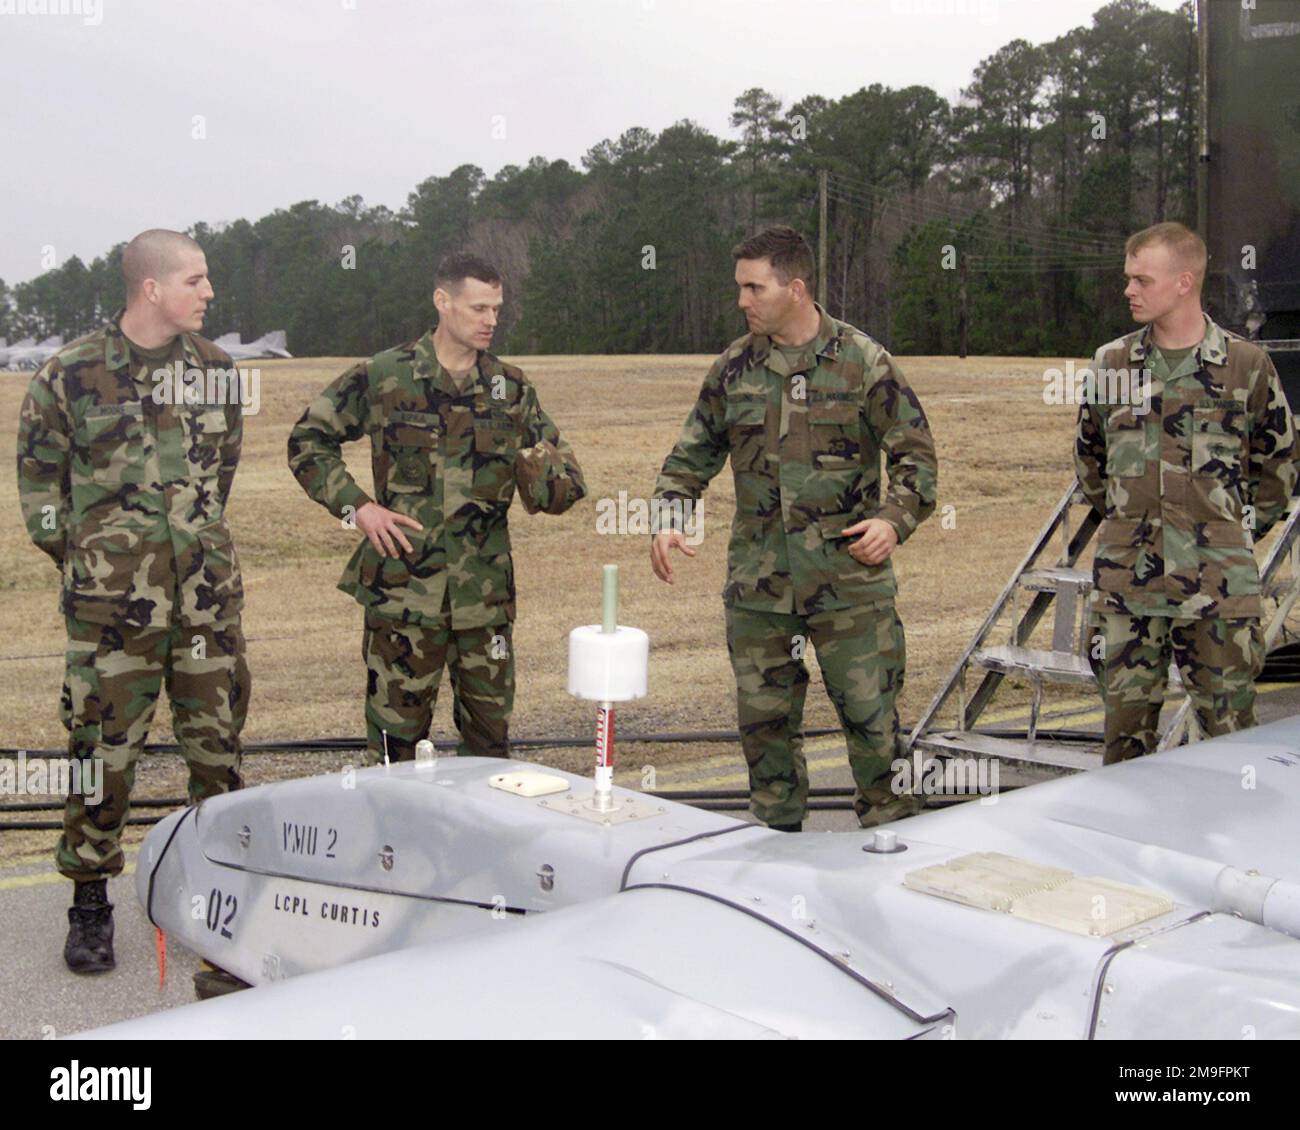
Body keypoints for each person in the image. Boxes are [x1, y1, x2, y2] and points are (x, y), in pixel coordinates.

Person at [651, 226, 938, 830]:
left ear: (796, 288)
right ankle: (774, 864)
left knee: (875, 734)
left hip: (849, 588)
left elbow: (916, 459)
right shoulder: (733, 369)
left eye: (754, 288)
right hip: (760, 591)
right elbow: (690, 457)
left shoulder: (864, 362)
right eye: (740, 288)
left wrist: (893, 520)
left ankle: (894, 860)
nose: (742, 301)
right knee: (766, 738)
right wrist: (671, 517)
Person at [17, 229, 249, 973]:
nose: (209, 293)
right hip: (112, 615)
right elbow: (40, 496)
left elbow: (222, 474)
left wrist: (189, 551)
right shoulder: (69, 376)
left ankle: (222, 894)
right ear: (152, 288)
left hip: (206, 606)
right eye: (196, 280)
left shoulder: (217, 371)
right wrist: (96, 567)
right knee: (102, 756)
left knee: (216, 752)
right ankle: (90, 903)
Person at [288, 253, 585, 764]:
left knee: (490, 751)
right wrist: (357, 508)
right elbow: (308, 442)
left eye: (496, 308)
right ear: (442, 302)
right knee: (391, 751)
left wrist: (539, 471)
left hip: (484, 603)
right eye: (478, 308)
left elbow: (567, 486)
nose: (491, 320)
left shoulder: (510, 389)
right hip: (404, 597)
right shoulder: (386, 376)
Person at [1074, 222, 1299, 763]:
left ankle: (1228, 848)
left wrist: (1229, 532)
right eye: (1128, 279)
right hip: (1129, 589)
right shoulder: (1111, 365)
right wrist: (1136, 525)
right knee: (1125, 748)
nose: (1128, 290)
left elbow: (1280, 466)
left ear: (1183, 282)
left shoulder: (1246, 366)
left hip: (1217, 588)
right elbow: (1091, 463)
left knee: (1231, 745)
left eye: (1141, 280)